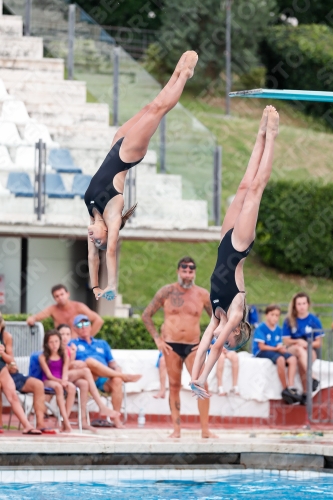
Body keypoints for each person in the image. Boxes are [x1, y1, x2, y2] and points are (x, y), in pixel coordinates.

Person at [85, 51, 199, 302]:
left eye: (95, 240)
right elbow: (109, 252)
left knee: (150, 107)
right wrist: (110, 285)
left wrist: (94, 287)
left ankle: (178, 73)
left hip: (116, 145)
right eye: (99, 240)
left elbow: (94, 257)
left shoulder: (92, 216)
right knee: (158, 110)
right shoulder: (112, 217)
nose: (94, 239)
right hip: (127, 154)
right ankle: (185, 76)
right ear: (107, 233)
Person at [190, 106, 279, 399]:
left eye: (226, 341)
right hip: (239, 244)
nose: (223, 340)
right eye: (230, 341)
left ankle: (260, 133)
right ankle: (272, 135)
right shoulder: (235, 313)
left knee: (243, 186)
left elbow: (204, 345)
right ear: (237, 333)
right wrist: (204, 378)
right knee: (255, 190)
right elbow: (215, 348)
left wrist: (194, 379)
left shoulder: (215, 316)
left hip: (223, 241)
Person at [142, 256, 216, 439]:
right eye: (184, 270)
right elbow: (146, 315)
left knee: (201, 385)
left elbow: (217, 319)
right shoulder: (167, 292)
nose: (188, 274)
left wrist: (210, 341)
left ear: (195, 273)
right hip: (171, 346)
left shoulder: (202, 295)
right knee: (174, 386)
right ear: (178, 271)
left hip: (193, 347)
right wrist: (158, 340)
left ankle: (205, 430)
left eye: (191, 271)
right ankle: (176, 430)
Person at [70, 315, 142, 428]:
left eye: (86, 324)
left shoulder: (102, 343)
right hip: (87, 379)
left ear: (90, 326)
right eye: (79, 325)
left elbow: (112, 363)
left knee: (117, 380)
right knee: (90, 361)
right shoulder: (72, 343)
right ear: (74, 329)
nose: (83, 327)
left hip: (104, 379)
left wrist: (117, 369)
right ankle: (125, 377)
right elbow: (68, 363)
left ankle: (116, 419)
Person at [57, 324, 121, 431]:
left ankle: (83, 421)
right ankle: (101, 406)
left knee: (84, 383)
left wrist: (73, 359)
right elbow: (60, 366)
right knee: (86, 371)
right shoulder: (55, 348)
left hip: (68, 376)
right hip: (58, 377)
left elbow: (69, 364)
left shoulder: (70, 349)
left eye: (68, 334)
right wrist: (75, 363)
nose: (65, 337)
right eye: (62, 334)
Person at [0, 314, 42, 434]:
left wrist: (2, 353)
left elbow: (11, 361)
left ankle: (27, 425)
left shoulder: (5, 337)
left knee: (13, 395)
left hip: (2, 368)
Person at [253, 304, 300, 404]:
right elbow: (262, 346)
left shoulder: (278, 329)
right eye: (272, 314)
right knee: (280, 359)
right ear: (266, 315)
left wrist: (282, 348)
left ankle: (291, 386)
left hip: (274, 350)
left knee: (292, 359)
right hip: (262, 352)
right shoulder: (261, 328)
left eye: (277, 315)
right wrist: (277, 349)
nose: (275, 317)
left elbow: (279, 344)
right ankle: (285, 389)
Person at [283, 292, 323, 403]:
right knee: (300, 351)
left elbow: (318, 343)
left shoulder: (314, 320)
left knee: (303, 359)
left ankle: (305, 394)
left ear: (308, 304)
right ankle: (313, 378)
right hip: (292, 348)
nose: (301, 306)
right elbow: (286, 340)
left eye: (304, 303)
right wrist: (298, 341)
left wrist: (307, 344)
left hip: (309, 348)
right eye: (299, 304)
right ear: (295, 305)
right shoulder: (289, 319)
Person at [27, 284, 104, 336]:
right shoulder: (53, 309)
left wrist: (88, 337)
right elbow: (38, 316)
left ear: (68, 294)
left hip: (77, 344)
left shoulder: (79, 306)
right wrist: (32, 318)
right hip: (61, 346)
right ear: (54, 298)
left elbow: (98, 320)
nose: (60, 297)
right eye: (57, 296)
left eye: (62, 294)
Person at [39, 330, 76, 432]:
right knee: (58, 387)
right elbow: (49, 375)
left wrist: (64, 380)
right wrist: (60, 382)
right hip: (48, 380)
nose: (54, 344)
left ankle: (65, 421)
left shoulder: (64, 354)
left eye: (56, 341)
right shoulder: (42, 357)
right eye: (51, 342)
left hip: (60, 379)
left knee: (72, 387)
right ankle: (67, 424)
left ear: (60, 342)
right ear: (46, 344)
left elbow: (65, 371)